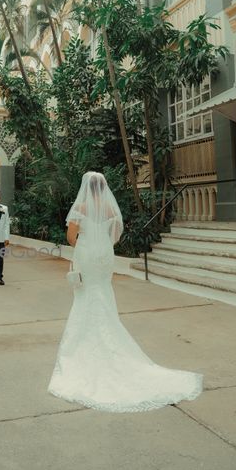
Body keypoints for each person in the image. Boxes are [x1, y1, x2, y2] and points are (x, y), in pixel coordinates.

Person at [48, 171, 203, 412]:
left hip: (87, 253)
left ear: (86, 187)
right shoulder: (110, 207)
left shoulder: (80, 207)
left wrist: (85, 244)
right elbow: (117, 233)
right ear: (103, 187)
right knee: (102, 290)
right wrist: (103, 243)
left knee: (86, 292)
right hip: (104, 253)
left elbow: (70, 237)